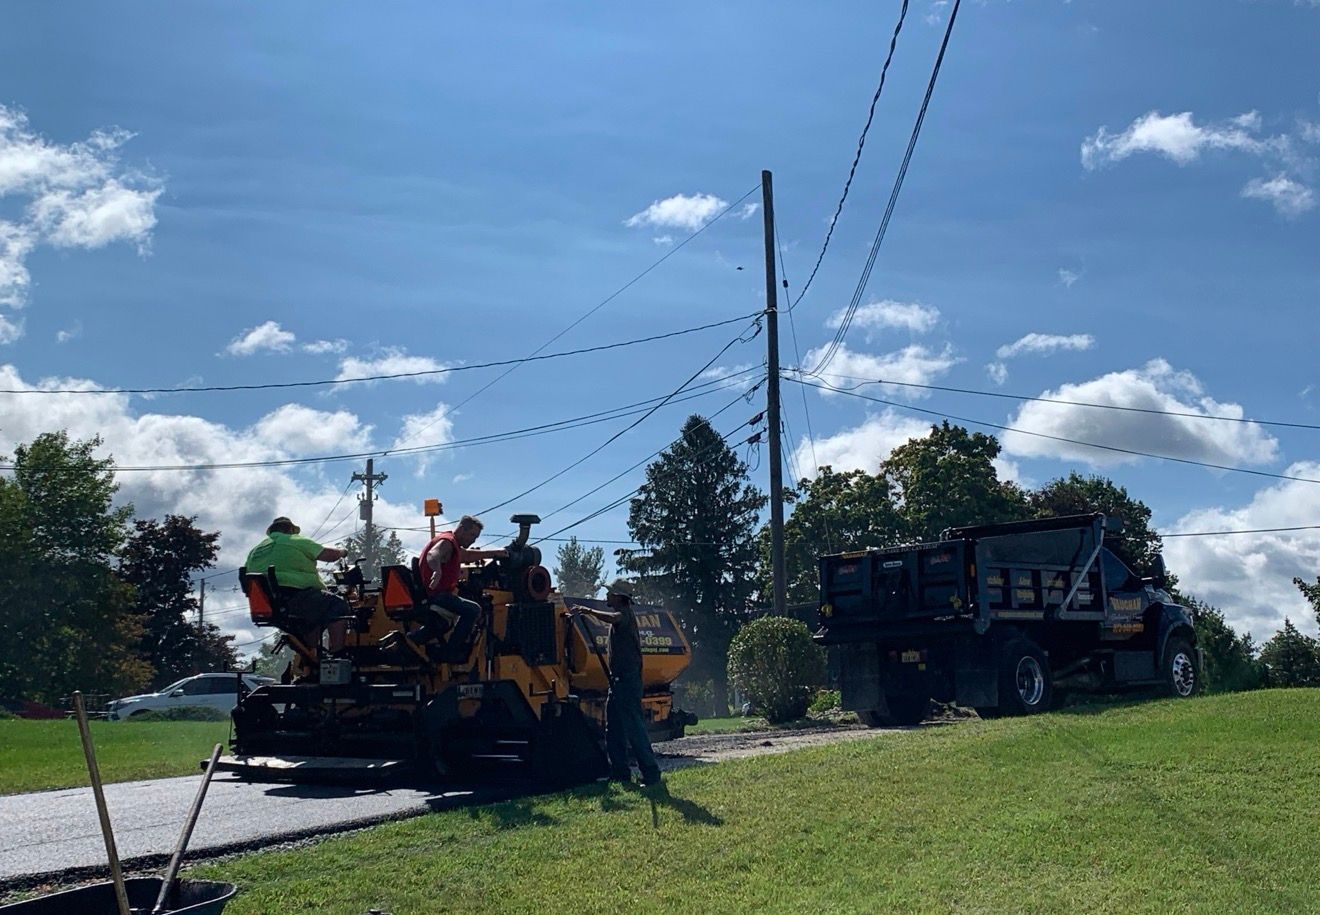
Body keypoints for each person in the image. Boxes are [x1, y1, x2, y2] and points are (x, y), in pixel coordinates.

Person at [575, 578, 663, 787]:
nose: (606, 596)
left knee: (634, 728)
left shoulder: (624, 615)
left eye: (609, 593)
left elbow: (613, 618)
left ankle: (651, 774)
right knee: (613, 729)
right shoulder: (623, 615)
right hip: (618, 682)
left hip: (628, 682)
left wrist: (589, 611)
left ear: (619, 597)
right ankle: (620, 772)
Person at [388, 515, 506, 663]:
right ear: (462, 529)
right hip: (437, 595)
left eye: (476, 537)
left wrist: (495, 553)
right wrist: (437, 570)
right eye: (472, 535)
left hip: (436, 595)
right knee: (473, 609)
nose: (474, 540)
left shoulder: (453, 544)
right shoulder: (447, 542)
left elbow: (467, 556)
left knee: (442, 624)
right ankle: (450, 653)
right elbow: (433, 554)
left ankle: (409, 641)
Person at [245, 516, 350, 653]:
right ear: (290, 530)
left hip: (268, 604)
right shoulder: (294, 540)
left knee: (314, 616)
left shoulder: (255, 550)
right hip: (295, 597)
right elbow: (329, 555)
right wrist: (343, 551)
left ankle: (311, 656)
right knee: (338, 606)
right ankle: (338, 655)